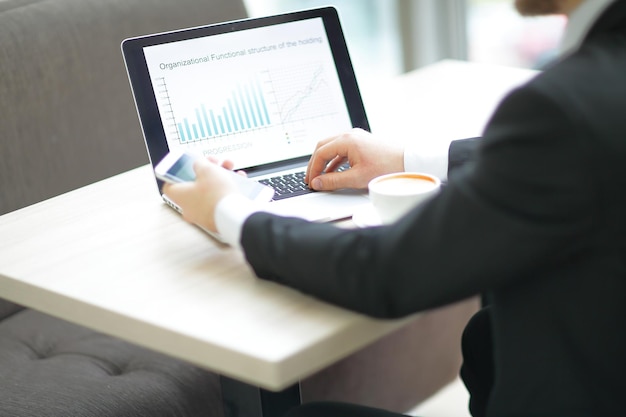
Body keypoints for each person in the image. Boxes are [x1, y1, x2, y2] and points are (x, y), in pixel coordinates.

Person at [163, 0, 626, 415]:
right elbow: (572, 152)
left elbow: (383, 272)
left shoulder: (563, 106)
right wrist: (408, 160)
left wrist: (229, 210)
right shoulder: (593, 93)